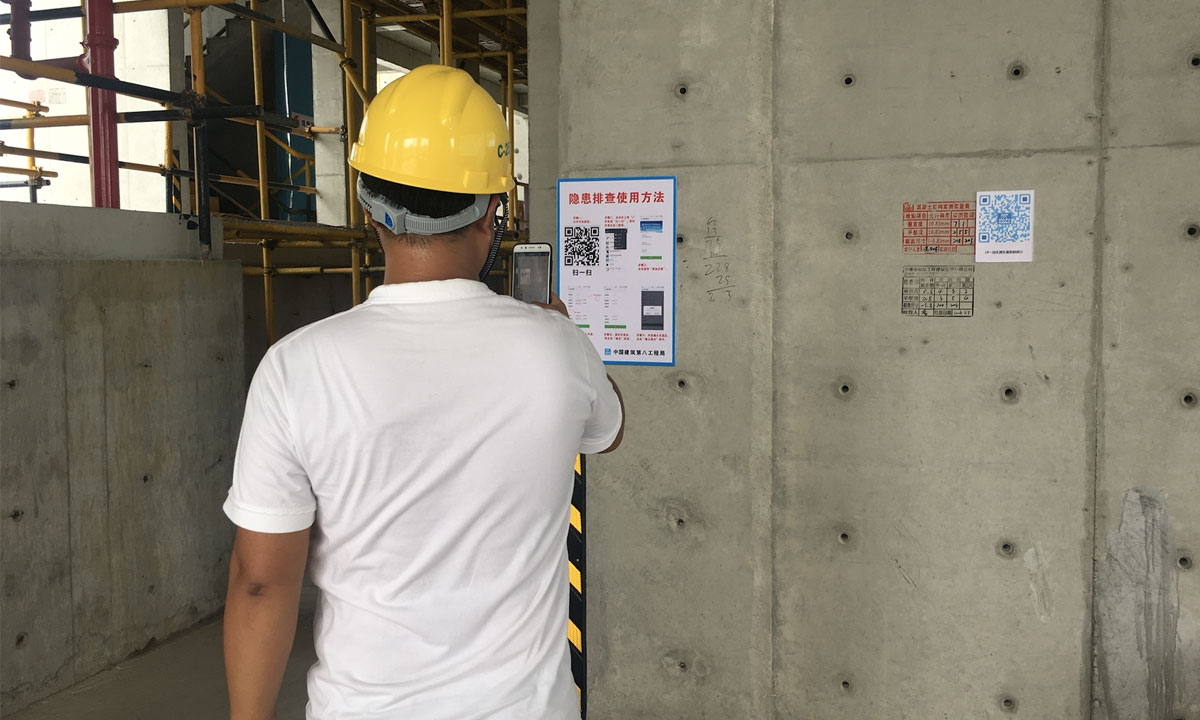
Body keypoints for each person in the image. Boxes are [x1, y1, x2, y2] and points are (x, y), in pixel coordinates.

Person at [221, 64, 624, 720]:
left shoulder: (294, 368)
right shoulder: (557, 348)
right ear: (492, 211)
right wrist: (562, 334)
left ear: (366, 206)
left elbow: (261, 584)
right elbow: (610, 429)